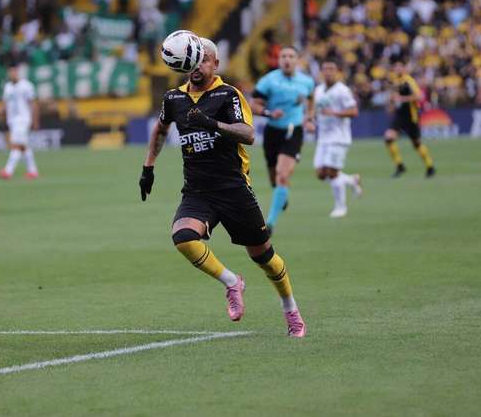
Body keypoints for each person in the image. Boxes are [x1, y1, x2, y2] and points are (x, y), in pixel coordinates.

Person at [139, 37, 306, 337]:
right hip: (197, 191)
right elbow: (161, 128)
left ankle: (290, 308)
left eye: (205, 59)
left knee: (264, 258)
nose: (199, 64)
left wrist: (211, 123)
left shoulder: (228, 95)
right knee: (183, 237)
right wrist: (148, 167)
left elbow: (248, 134)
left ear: (215, 64)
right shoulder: (173, 99)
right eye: (196, 58)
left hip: (234, 190)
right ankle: (231, 282)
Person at [250, 46, 315, 234]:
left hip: (294, 131)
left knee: (282, 175)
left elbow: (311, 100)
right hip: (273, 132)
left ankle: (270, 223)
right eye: (283, 56)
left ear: (297, 60)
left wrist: (309, 118)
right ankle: (281, 194)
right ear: (279, 60)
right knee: (274, 178)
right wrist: (269, 113)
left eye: (291, 56)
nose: (287, 59)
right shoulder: (268, 81)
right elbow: (254, 105)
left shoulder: (307, 82)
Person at [310, 60, 361, 218]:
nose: (328, 72)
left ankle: (341, 207)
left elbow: (354, 111)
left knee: (332, 172)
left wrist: (335, 113)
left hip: (339, 137)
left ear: (337, 71)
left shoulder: (343, 90)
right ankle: (351, 180)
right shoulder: (318, 90)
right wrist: (310, 120)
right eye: (325, 69)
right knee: (320, 173)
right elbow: (315, 109)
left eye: (331, 69)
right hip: (323, 137)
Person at [384, 60, 435, 178]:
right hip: (399, 115)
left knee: (416, 144)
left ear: (404, 68)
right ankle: (400, 166)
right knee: (388, 138)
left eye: (399, 66)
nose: (397, 69)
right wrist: (391, 104)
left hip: (411, 116)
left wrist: (401, 99)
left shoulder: (409, 81)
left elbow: (419, 96)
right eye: (395, 66)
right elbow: (394, 99)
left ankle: (430, 166)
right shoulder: (396, 82)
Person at [0, 66, 39, 179]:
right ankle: (33, 171)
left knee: (16, 145)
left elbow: (33, 103)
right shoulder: (8, 87)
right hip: (12, 120)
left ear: (17, 72)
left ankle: (8, 171)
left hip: (23, 119)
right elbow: (4, 104)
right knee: (23, 146)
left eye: (14, 71)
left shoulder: (26, 85)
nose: (12, 74)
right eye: (10, 72)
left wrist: (35, 120)